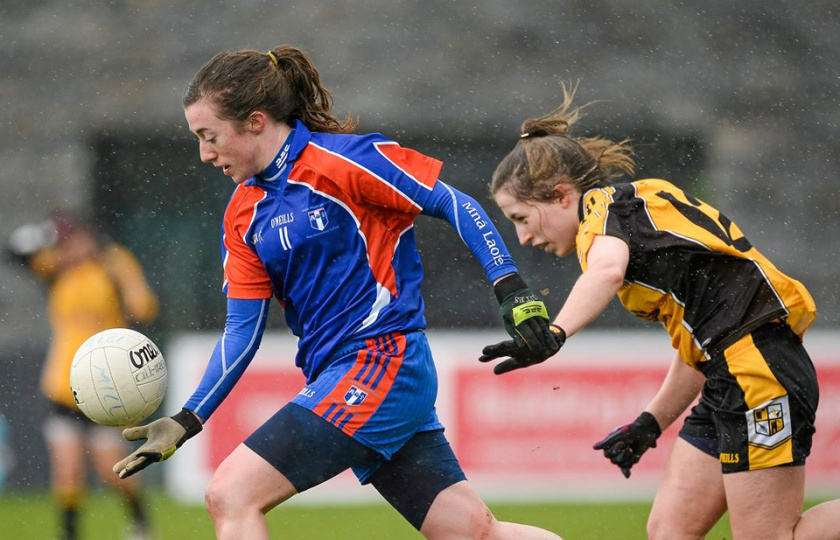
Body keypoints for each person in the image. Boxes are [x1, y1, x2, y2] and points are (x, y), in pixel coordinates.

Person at [112, 44, 564, 540]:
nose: (204, 153)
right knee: (478, 534)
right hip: (347, 376)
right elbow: (242, 330)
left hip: (382, 363)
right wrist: (187, 418)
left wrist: (512, 291)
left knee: (231, 494)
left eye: (209, 135)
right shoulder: (242, 214)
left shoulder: (344, 160)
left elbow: (458, 205)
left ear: (256, 121)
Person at [482, 82, 840, 540]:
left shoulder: (604, 216)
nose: (524, 238)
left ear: (561, 194)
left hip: (759, 372)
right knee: (671, 529)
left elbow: (605, 274)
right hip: (729, 371)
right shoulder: (635, 211)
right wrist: (651, 423)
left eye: (520, 219)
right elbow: (699, 343)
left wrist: (554, 332)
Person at [7, 213, 159, 540]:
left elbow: (144, 307)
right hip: (62, 383)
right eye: (61, 243)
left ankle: (139, 519)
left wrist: (116, 271)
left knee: (110, 469)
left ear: (87, 236)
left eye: (71, 240)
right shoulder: (57, 269)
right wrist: (40, 236)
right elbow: (14, 252)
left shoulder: (112, 264)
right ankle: (70, 534)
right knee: (67, 470)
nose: (67, 248)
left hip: (106, 385)